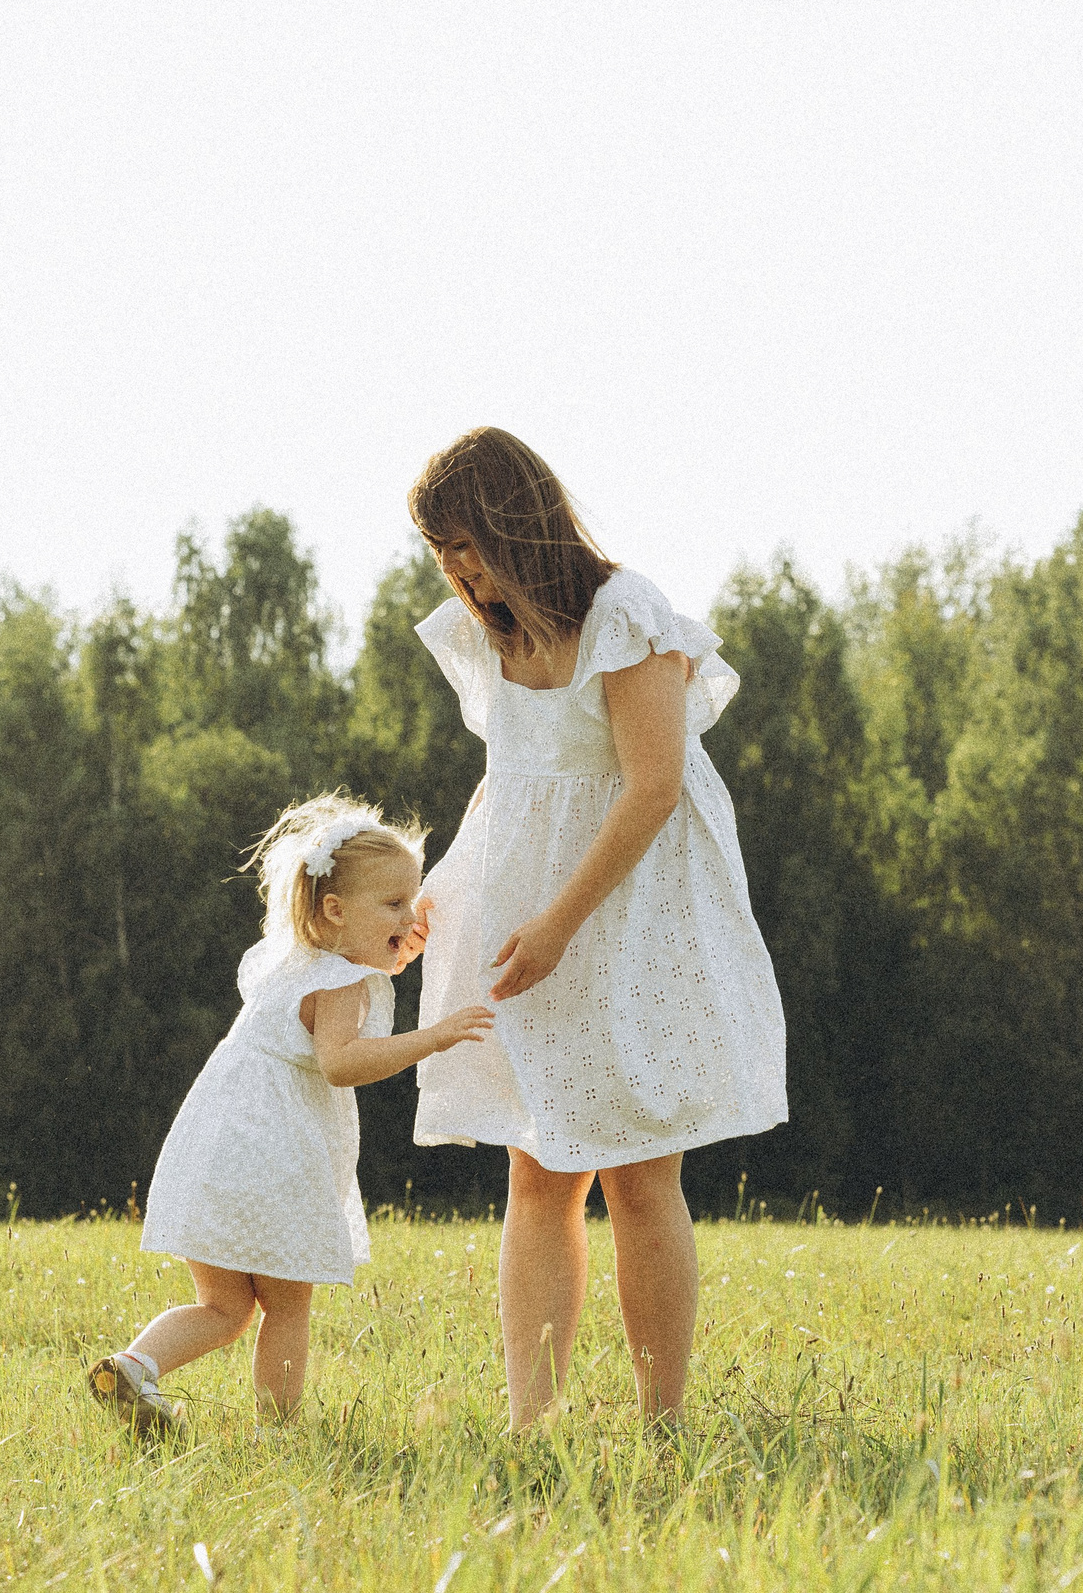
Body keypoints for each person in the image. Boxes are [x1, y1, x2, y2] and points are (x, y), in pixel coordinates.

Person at [407, 426, 787, 1426]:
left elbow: (654, 788)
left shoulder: (625, 615)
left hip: (626, 915)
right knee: (534, 1168)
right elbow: (508, 791)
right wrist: (437, 902)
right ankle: (531, 1423)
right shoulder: (482, 634)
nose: (454, 568)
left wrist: (558, 926)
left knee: (634, 1170)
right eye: (439, 551)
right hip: (525, 914)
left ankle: (663, 1422)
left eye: (464, 542)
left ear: (513, 520)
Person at [88, 794, 495, 1432]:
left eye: (411, 902)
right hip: (277, 1159)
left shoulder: (290, 961)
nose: (409, 916)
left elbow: (344, 971)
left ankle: (136, 1365)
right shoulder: (341, 985)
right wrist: (432, 1036)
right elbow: (341, 1063)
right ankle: (278, 1433)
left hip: (215, 1148)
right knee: (286, 1307)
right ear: (334, 910)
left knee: (222, 1307)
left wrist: (389, 940)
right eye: (393, 905)